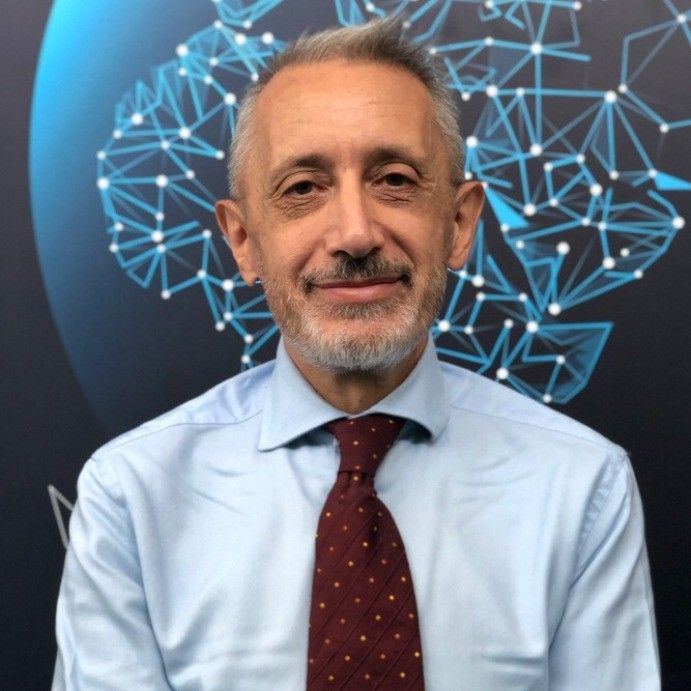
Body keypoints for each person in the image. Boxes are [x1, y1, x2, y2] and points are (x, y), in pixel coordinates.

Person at [53, 19, 660, 690]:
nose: (355, 233)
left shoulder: (581, 488)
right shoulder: (132, 498)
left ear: (459, 224)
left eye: (394, 179)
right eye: (303, 188)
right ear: (243, 240)